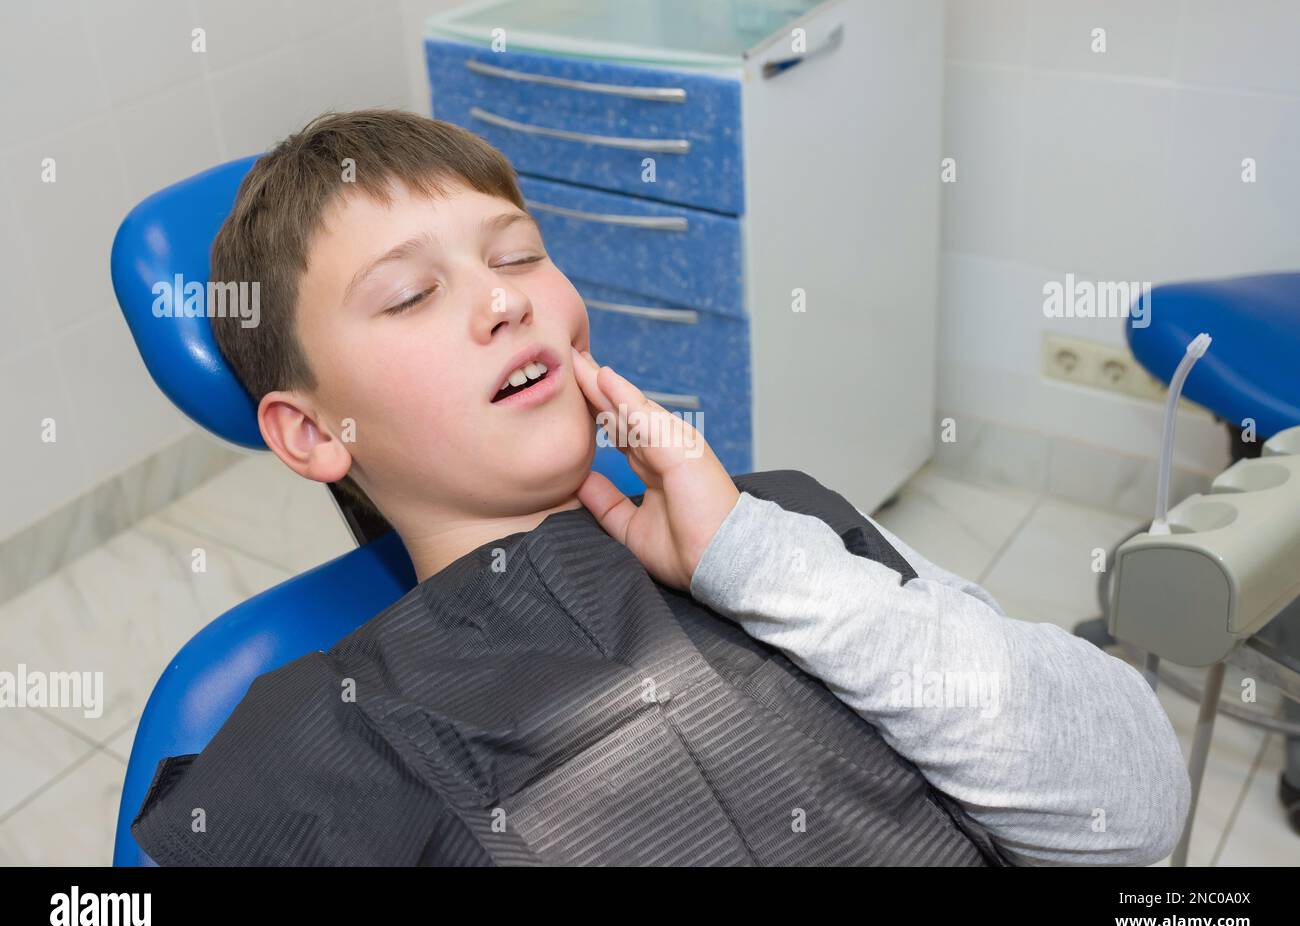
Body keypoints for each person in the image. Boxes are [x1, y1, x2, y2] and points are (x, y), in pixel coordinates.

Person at [130, 108, 1190, 866]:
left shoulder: (785, 527)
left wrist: (756, 559)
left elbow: (1135, 811)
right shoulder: (323, 739)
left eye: (519, 254)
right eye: (410, 294)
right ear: (311, 430)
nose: (503, 302)